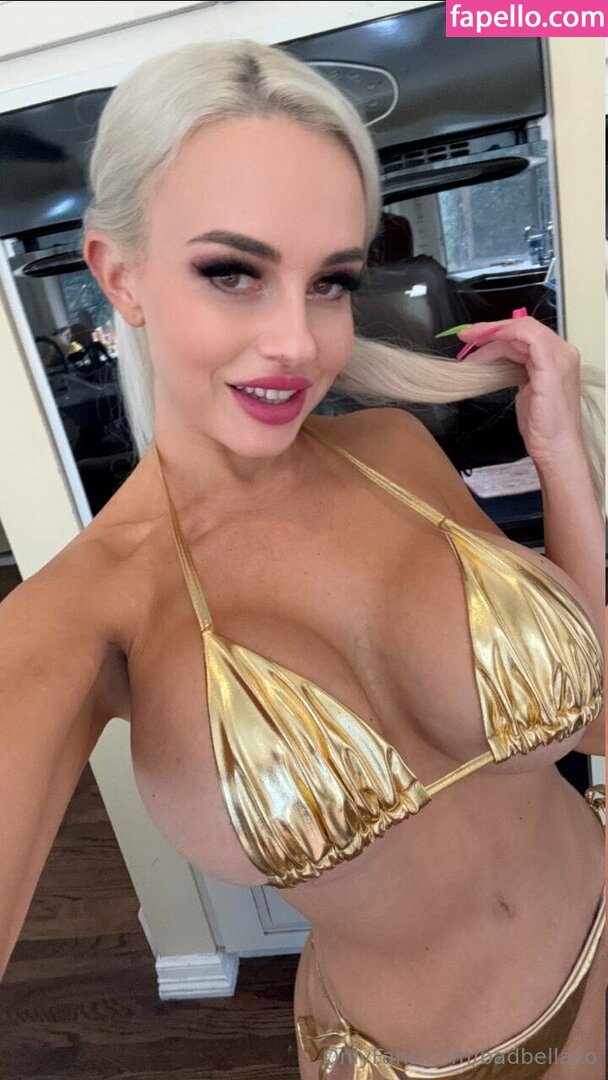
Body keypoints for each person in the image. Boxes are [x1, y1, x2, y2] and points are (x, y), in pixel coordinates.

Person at [1, 39, 605, 1080]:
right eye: (232, 272)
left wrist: (560, 457)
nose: (297, 341)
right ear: (119, 274)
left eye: (329, 281)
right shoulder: (83, 615)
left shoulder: (394, 452)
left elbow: (597, 717)